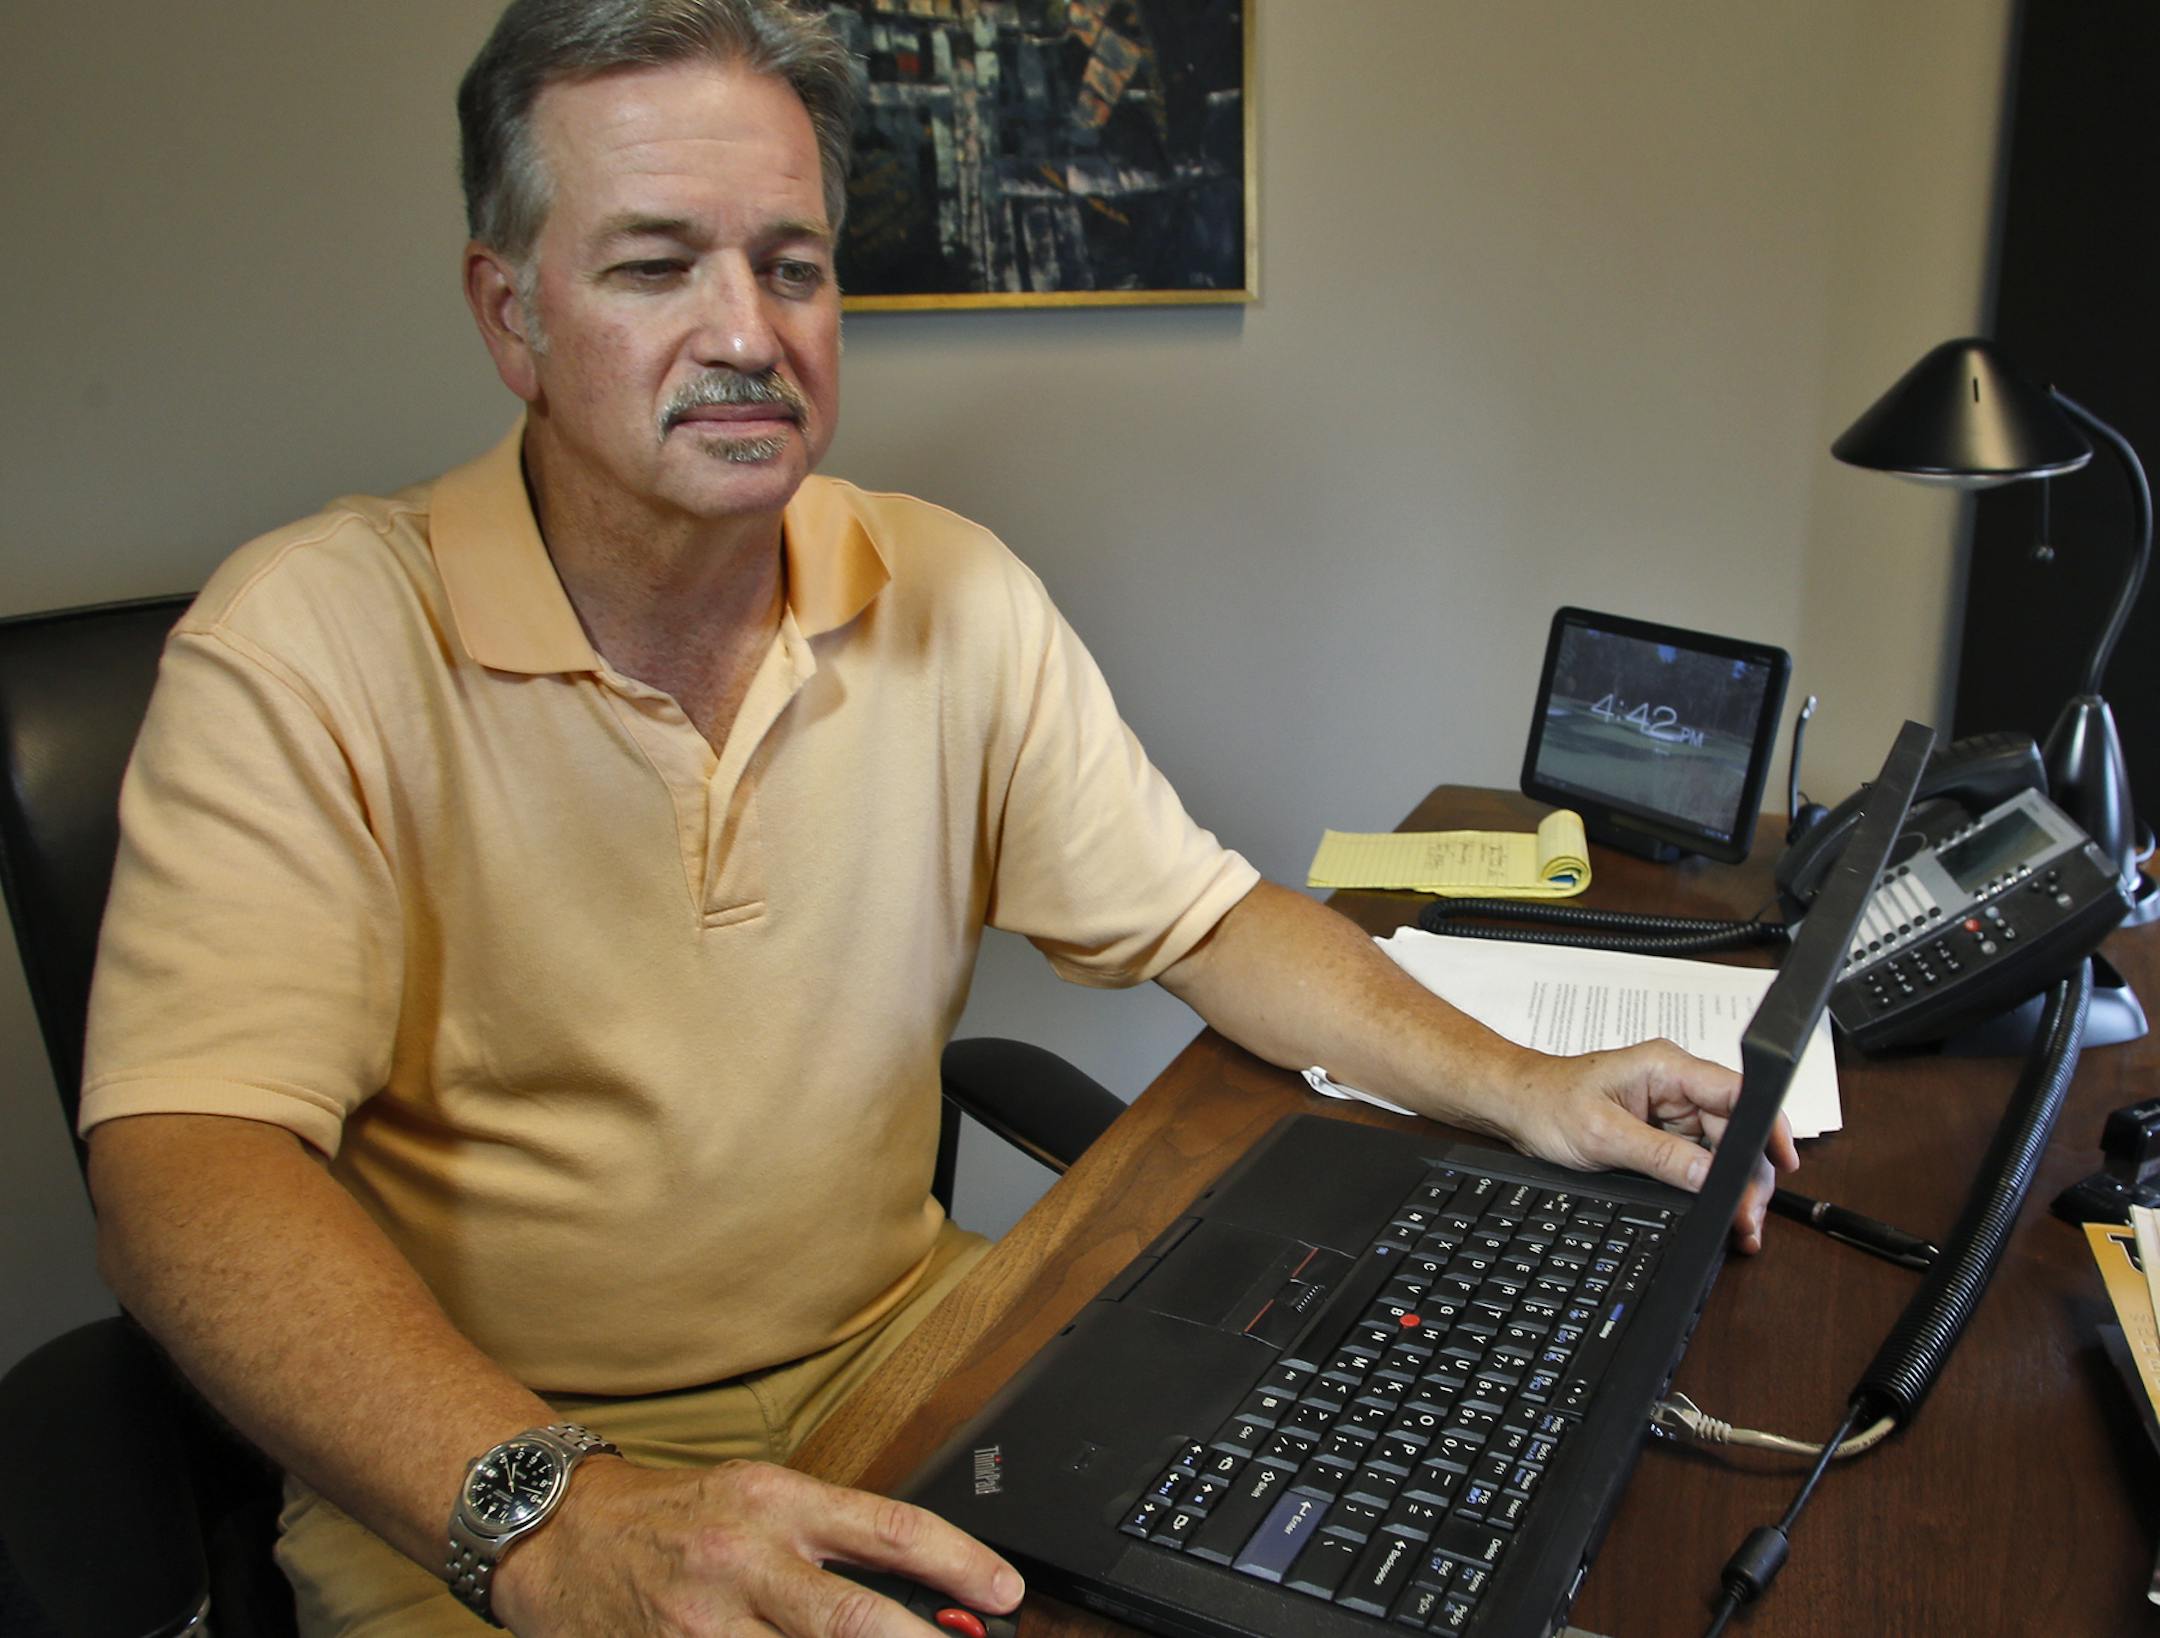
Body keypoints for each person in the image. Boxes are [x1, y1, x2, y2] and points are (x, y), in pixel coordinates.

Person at [76, 2, 1796, 1634]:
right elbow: (184, 1163)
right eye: (656, 264)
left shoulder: (947, 587)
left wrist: (1523, 1082)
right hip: (493, 1454)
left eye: (794, 266)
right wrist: (557, 1514)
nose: (748, 330)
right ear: (510, 311)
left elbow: (1200, 919)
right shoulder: (302, 637)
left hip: (907, 1352)